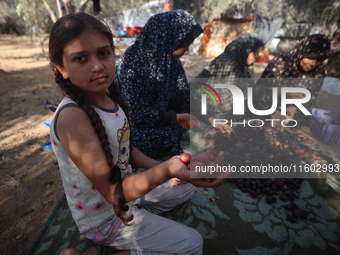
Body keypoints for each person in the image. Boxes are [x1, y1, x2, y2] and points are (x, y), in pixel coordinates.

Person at [49, 12, 227, 255]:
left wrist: (169, 171)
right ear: (62, 68)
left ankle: (134, 231)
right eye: (80, 58)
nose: (98, 65)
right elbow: (113, 193)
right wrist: (165, 170)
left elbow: (128, 151)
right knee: (192, 244)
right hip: (105, 216)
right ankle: (110, 246)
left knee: (185, 187)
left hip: (127, 196)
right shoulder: (73, 117)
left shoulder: (111, 98)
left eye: (104, 53)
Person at [114, 10, 203, 158]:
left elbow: (183, 95)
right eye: (185, 45)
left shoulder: (170, 61)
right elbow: (136, 115)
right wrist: (177, 118)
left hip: (163, 120)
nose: (187, 51)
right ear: (168, 39)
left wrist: (207, 116)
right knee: (135, 142)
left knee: (200, 130)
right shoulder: (132, 62)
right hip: (135, 128)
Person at [253, 34, 331, 130]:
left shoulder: (319, 73)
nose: (313, 63)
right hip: (267, 106)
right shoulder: (280, 63)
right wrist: (282, 94)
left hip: (291, 116)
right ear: (302, 51)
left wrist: (293, 109)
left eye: (319, 60)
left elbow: (310, 101)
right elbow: (257, 92)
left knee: (305, 117)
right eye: (310, 57)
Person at [191, 33, 264, 134]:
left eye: (258, 52)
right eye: (254, 52)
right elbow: (229, 99)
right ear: (245, 51)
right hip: (211, 112)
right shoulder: (229, 64)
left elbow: (249, 90)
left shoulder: (244, 65)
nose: (257, 56)